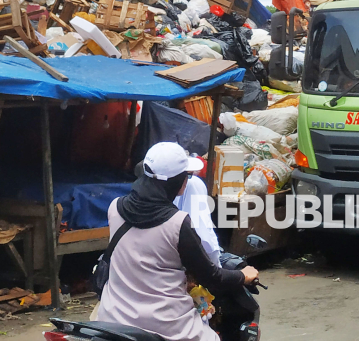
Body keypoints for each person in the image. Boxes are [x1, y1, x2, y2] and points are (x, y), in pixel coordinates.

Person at [98, 143, 258, 341]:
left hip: (113, 320)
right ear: (180, 183)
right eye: (187, 176)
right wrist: (243, 275)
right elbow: (212, 277)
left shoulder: (115, 208)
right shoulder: (178, 223)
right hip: (166, 325)